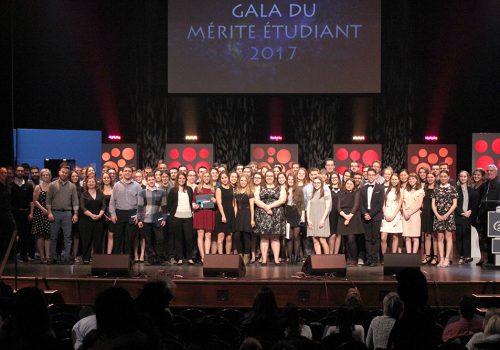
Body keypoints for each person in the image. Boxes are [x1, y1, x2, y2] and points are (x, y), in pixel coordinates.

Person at [46, 163, 79, 263]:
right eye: (63, 172)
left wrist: (75, 213)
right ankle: (52, 258)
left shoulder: (72, 186)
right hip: (55, 213)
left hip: (67, 213)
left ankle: (66, 257)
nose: (64, 174)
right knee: (53, 236)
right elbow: (48, 201)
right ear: (59, 172)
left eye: (66, 173)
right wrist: (49, 213)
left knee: (67, 237)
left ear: (68, 174)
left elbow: (75, 201)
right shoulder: (52, 185)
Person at [254, 171, 287, 265]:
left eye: (271, 176)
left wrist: (270, 206)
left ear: (274, 177)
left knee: (275, 237)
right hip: (262, 214)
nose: (269, 177)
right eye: (267, 176)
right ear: (265, 177)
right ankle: (264, 259)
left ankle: (276, 259)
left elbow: (282, 200)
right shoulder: (259, 187)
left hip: (276, 214)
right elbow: (256, 200)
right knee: (264, 238)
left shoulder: (280, 188)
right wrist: (266, 207)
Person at [109, 166, 142, 256]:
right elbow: (112, 202)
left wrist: (137, 216)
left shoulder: (137, 186)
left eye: (129, 171)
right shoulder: (116, 185)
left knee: (129, 239)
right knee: (118, 238)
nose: (127, 172)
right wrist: (112, 214)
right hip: (119, 213)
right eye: (125, 171)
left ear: (132, 173)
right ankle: (117, 262)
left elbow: (141, 203)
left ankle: (128, 262)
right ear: (122, 173)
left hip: (132, 214)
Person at [137, 173, 167, 265]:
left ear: (155, 180)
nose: (151, 181)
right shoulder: (142, 192)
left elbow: (164, 207)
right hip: (146, 219)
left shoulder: (161, 192)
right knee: (148, 240)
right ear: (146, 181)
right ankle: (151, 259)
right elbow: (140, 207)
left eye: (152, 179)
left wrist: (164, 219)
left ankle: (159, 259)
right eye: (149, 179)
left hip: (157, 219)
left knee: (160, 239)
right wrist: (139, 220)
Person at [432, 170, 458, 267]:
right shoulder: (436, 189)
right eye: (441, 176)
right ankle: (441, 258)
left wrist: (447, 214)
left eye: (445, 176)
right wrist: (437, 215)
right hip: (438, 216)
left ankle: (447, 259)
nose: (443, 178)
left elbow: (455, 204)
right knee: (440, 238)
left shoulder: (452, 189)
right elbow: (433, 204)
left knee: (448, 237)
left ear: (448, 177)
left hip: (449, 216)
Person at [167, 173, 194, 265]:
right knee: (178, 238)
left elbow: (191, 202)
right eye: (180, 178)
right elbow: (169, 205)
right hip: (177, 217)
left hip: (188, 217)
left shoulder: (189, 190)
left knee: (189, 238)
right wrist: (173, 214)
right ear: (177, 179)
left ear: (185, 179)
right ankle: (179, 258)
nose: (181, 180)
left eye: (183, 178)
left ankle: (190, 257)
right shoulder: (173, 190)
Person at [360, 168, 385, 266]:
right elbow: (360, 204)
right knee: (367, 238)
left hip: (375, 216)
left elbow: (380, 204)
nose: (370, 176)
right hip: (365, 216)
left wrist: (370, 215)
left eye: (372, 175)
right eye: (368, 175)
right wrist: (365, 214)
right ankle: (369, 259)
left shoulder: (380, 188)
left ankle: (374, 260)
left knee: (375, 238)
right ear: (366, 176)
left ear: (375, 176)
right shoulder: (363, 188)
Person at [337, 179, 365, 266]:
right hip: (343, 216)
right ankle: (349, 258)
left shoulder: (356, 193)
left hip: (353, 217)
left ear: (354, 185)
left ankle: (354, 258)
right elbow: (338, 207)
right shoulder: (341, 193)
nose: (349, 185)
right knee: (346, 240)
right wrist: (345, 216)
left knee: (351, 239)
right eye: (347, 183)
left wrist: (348, 217)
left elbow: (356, 205)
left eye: (351, 184)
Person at [477, 164, 500, 265]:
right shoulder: (486, 184)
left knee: (493, 239)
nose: (489, 172)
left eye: (491, 171)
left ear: (496, 172)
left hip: (495, 216)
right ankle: (488, 259)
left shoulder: (499, 183)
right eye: (488, 171)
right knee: (486, 238)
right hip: (485, 215)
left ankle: (493, 260)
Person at [79, 177, 106, 264]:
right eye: (89, 182)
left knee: (98, 240)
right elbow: (82, 207)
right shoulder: (83, 194)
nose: (91, 183)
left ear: (95, 183)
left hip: (99, 219)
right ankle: (86, 258)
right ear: (86, 184)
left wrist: (99, 215)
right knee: (86, 239)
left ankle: (97, 258)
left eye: (92, 181)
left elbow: (103, 206)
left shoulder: (101, 193)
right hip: (86, 220)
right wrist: (92, 215)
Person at [10, 165, 34, 262]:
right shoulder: (10, 185)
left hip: (25, 213)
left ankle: (23, 255)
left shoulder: (28, 185)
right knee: (13, 235)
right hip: (14, 213)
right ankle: (13, 256)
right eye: (18, 171)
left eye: (22, 171)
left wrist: (31, 213)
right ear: (15, 172)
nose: (20, 172)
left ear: (24, 172)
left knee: (25, 235)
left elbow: (31, 201)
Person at [455, 171, 479, 264]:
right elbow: (454, 204)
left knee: (467, 237)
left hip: (469, 216)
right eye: (461, 176)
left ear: (468, 177)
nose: (463, 178)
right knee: (459, 237)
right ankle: (461, 256)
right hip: (459, 216)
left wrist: (470, 211)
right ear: (459, 177)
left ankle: (467, 255)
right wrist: (461, 212)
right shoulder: (455, 189)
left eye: (464, 176)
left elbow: (475, 204)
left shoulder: (472, 190)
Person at [193, 172, 216, 263]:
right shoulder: (197, 188)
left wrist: (215, 201)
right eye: (205, 176)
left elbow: (217, 201)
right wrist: (194, 205)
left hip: (209, 212)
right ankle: (203, 257)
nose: (206, 178)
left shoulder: (213, 189)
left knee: (208, 235)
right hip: (200, 213)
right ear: (202, 177)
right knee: (201, 235)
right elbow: (194, 201)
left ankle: (207, 255)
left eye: (208, 176)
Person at [30, 169, 52, 263]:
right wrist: (43, 209)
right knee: (40, 235)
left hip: (50, 212)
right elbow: (35, 200)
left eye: (48, 175)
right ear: (41, 176)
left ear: (50, 176)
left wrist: (50, 211)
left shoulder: (53, 186)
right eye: (44, 175)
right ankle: (42, 256)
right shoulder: (38, 187)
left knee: (48, 235)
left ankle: (48, 256)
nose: (46, 176)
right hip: (40, 213)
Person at [306, 178, 332, 255]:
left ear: (321, 183)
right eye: (315, 182)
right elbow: (308, 207)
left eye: (318, 183)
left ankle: (327, 259)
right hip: (312, 218)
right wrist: (308, 220)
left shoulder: (325, 193)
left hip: (322, 218)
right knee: (315, 240)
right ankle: (319, 260)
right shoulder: (311, 194)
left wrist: (323, 219)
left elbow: (328, 207)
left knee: (322, 240)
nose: (316, 184)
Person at [234, 174, 255, 264]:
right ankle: (240, 254)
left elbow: (252, 207)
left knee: (246, 236)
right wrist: (235, 217)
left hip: (247, 214)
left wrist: (252, 219)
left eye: (245, 180)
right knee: (237, 236)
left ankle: (247, 255)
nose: (243, 182)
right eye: (241, 180)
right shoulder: (237, 192)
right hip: (239, 215)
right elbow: (235, 206)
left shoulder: (250, 192)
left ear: (247, 182)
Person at [402, 173, 425, 254]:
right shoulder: (405, 190)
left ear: (416, 180)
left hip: (415, 214)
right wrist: (405, 212)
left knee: (415, 237)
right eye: (410, 179)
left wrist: (410, 213)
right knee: (407, 237)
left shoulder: (420, 190)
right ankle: (408, 255)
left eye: (413, 179)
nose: (411, 180)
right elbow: (402, 203)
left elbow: (419, 205)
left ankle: (414, 256)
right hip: (405, 214)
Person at [380, 174, 403, 256]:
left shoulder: (401, 190)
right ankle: (384, 256)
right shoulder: (385, 190)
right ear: (390, 180)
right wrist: (385, 214)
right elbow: (383, 203)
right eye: (392, 179)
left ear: (398, 180)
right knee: (383, 238)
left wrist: (393, 216)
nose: (394, 181)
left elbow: (399, 205)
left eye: (396, 179)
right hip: (386, 214)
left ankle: (393, 256)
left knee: (395, 237)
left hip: (395, 215)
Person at [285, 174, 304, 263]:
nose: (290, 181)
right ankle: (290, 257)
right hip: (287, 213)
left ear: (295, 180)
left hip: (296, 213)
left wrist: (303, 215)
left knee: (296, 237)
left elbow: (303, 204)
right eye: (289, 179)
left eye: (292, 179)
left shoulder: (299, 190)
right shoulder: (284, 189)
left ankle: (296, 257)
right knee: (289, 237)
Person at [215, 172, 236, 254]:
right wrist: (223, 215)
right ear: (220, 179)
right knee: (221, 236)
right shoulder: (219, 189)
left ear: (228, 178)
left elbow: (233, 202)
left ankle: (227, 257)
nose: (224, 179)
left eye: (225, 177)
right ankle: (220, 258)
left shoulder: (232, 188)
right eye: (222, 178)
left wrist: (234, 214)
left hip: (230, 214)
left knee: (229, 237)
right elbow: (219, 203)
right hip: (222, 214)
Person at [422, 172, 438, 265]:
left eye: (431, 177)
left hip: (434, 213)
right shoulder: (424, 188)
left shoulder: (437, 188)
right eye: (428, 177)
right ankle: (428, 256)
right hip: (426, 213)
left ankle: (435, 256)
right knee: (427, 235)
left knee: (434, 236)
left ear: (435, 178)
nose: (430, 179)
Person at [0, 167, 16, 262]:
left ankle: (7, 257)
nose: (4, 175)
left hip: (7, 213)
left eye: (5, 173)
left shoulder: (8, 186)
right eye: (2, 173)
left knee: (8, 235)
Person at [249, 173, 262, 263]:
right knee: (253, 237)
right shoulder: (250, 188)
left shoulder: (263, 188)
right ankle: (253, 256)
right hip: (251, 212)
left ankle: (262, 256)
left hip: (262, 213)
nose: (257, 179)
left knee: (262, 236)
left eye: (259, 178)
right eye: (255, 178)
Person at [100, 172, 114, 254]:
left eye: (108, 178)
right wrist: (103, 214)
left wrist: (112, 215)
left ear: (110, 179)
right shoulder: (99, 190)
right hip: (101, 215)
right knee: (101, 236)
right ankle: (101, 255)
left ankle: (108, 255)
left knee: (111, 235)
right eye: (104, 178)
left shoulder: (114, 189)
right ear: (102, 179)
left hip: (112, 215)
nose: (106, 179)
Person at [329, 173, 342, 254]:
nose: (334, 179)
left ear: (338, 178)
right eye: (332, 178)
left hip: (340, 214)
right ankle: (331, 254)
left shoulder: (343, 189)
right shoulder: (327, 189)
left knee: (339, 234)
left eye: (335, 177)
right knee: (332, 234)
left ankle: (336, 254)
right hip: (331, 214)